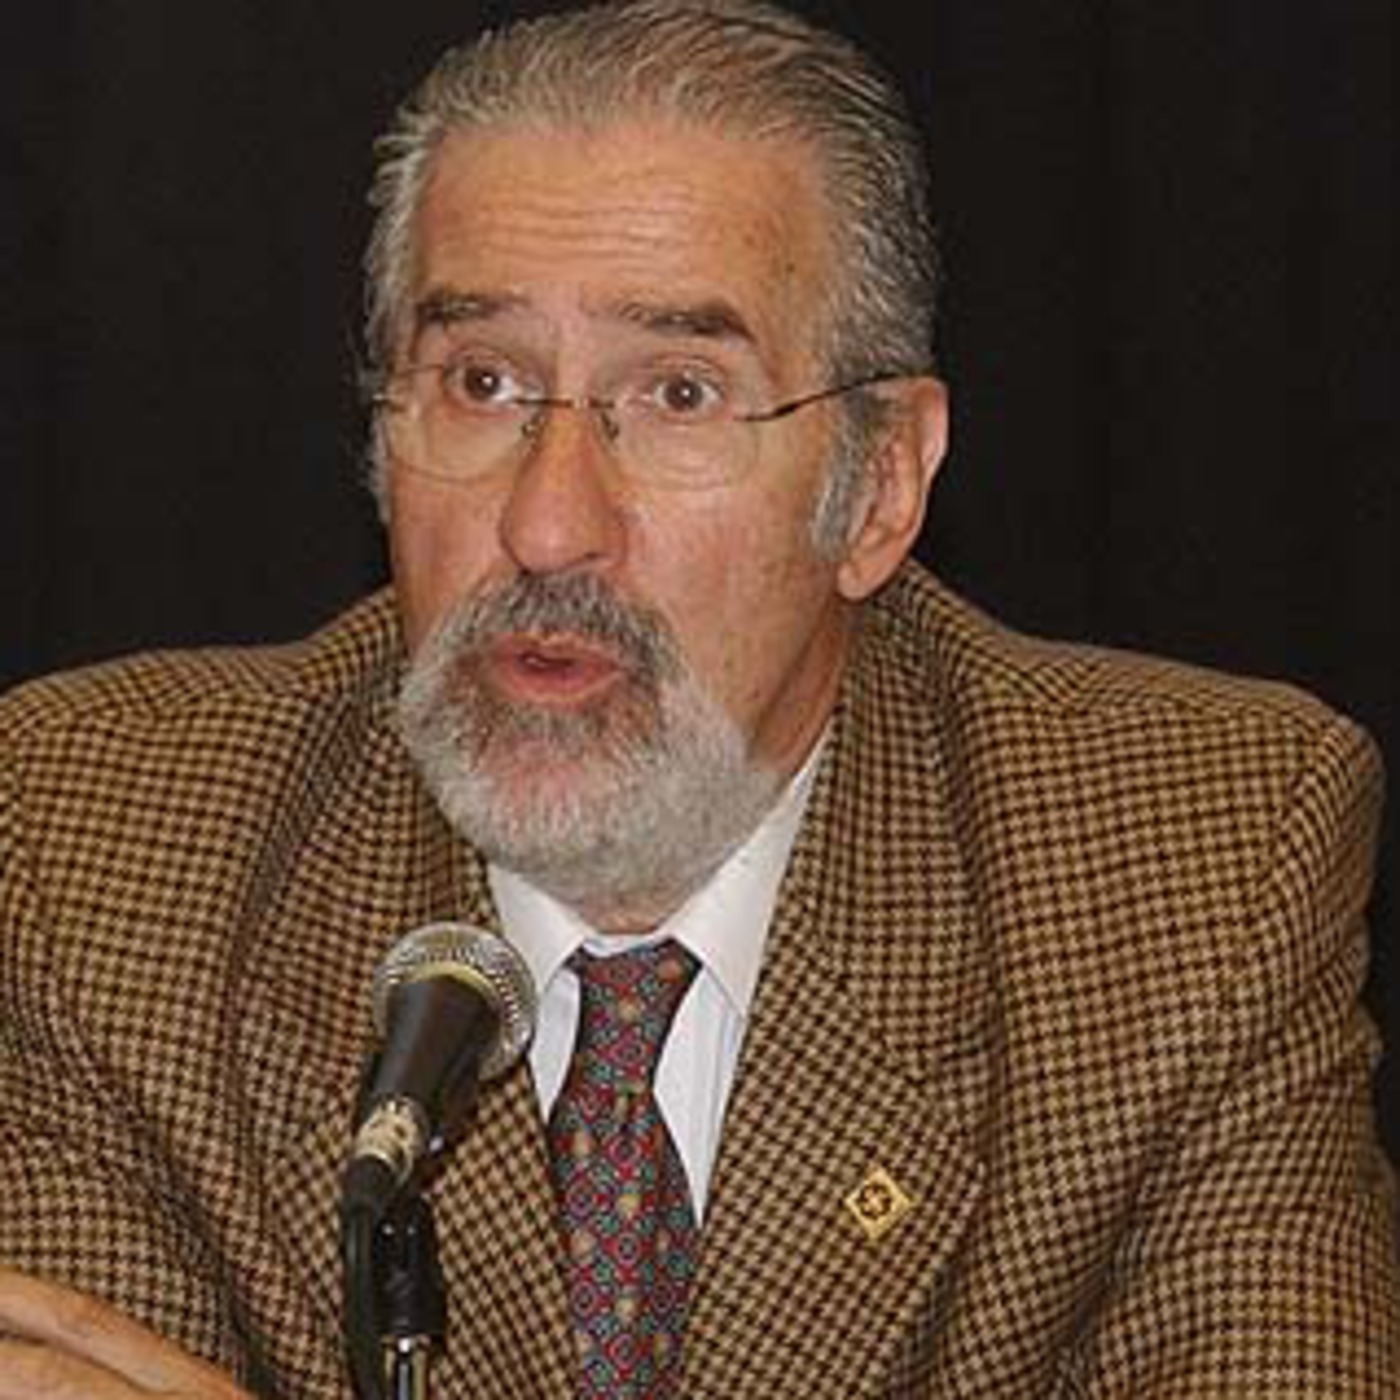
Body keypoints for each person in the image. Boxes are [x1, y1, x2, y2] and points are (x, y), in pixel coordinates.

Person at [0, 0, 1396, 1395]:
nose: (548, 526)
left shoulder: (1193, 875)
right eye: (482, 381)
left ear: (880, 486)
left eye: (678, 394)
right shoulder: (98, 853)